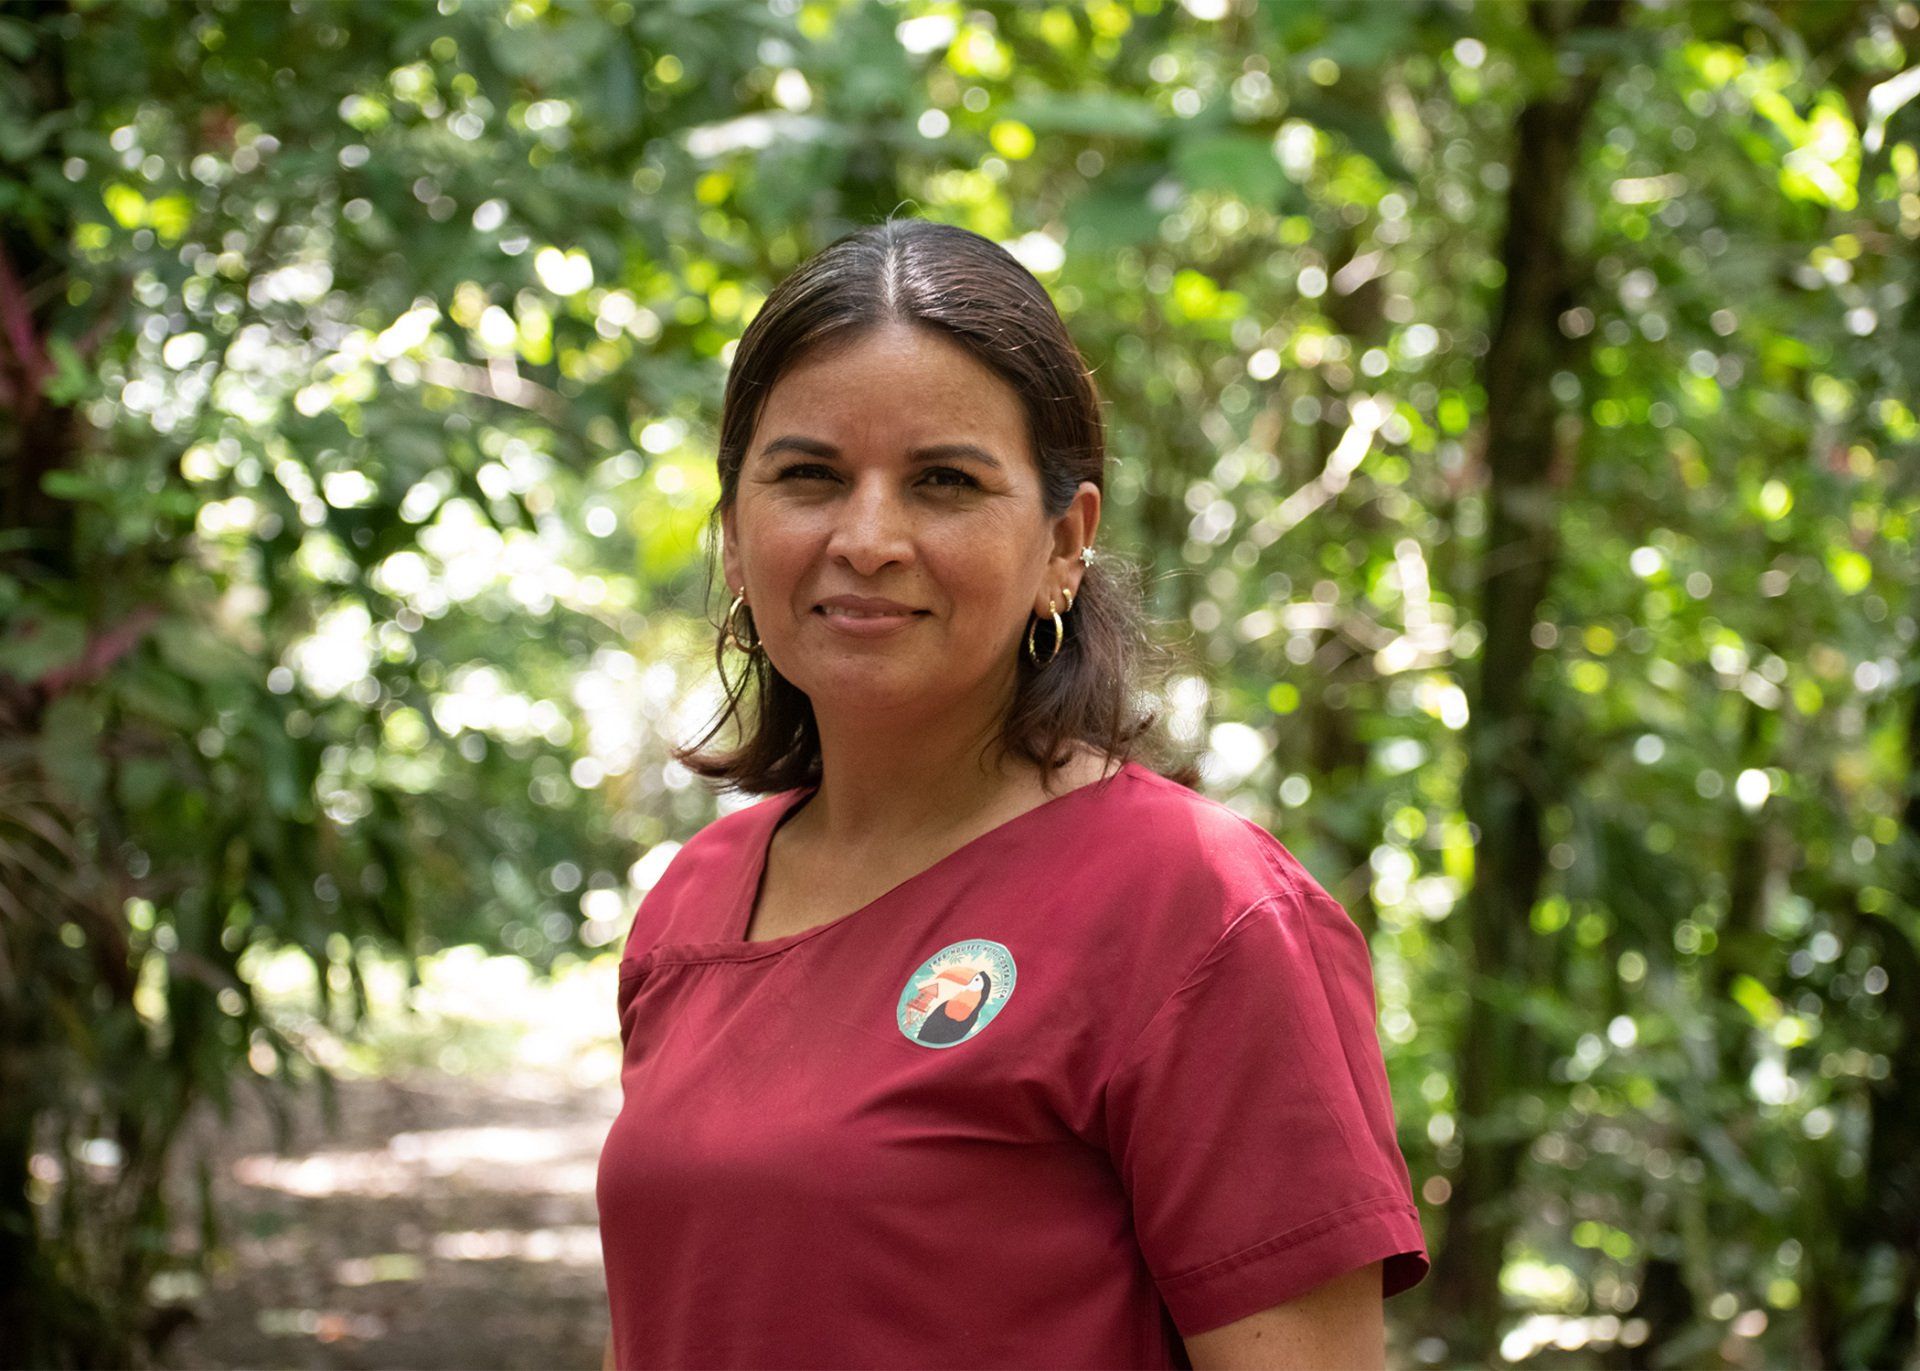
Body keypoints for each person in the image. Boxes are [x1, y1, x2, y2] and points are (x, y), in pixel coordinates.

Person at [595, 217, 1427, 1370]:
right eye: (808, 476)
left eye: (944, 481)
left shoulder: (1203, 909)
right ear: (736, 533)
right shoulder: (692, 899)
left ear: (1064, 544)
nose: (869, 536)